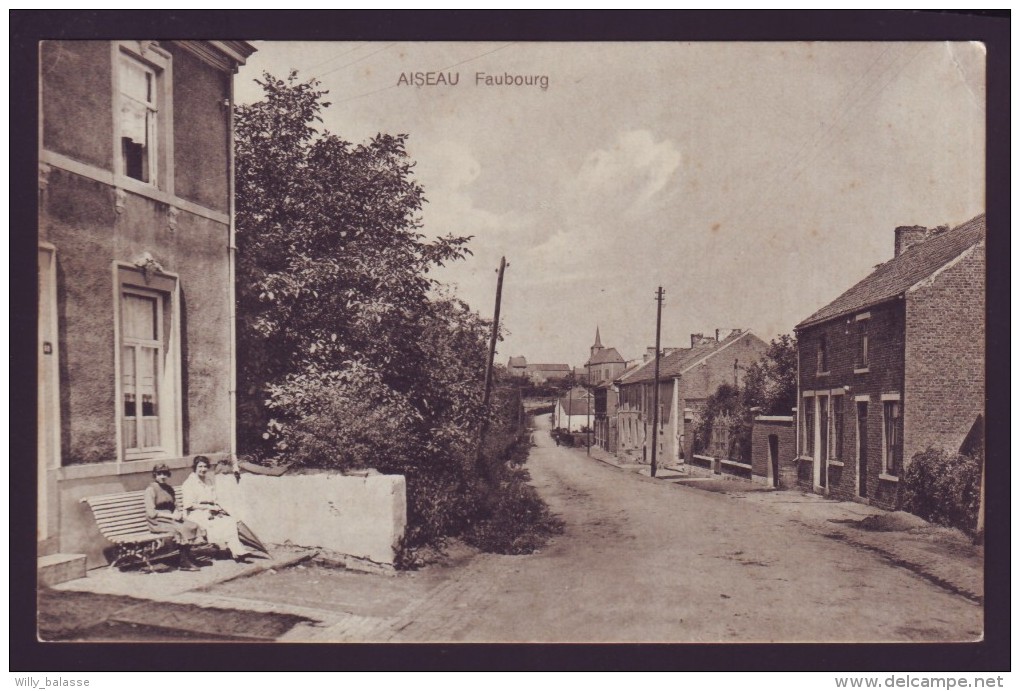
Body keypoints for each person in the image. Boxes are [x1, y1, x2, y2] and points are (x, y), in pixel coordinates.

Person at [181, 456, 251, 563]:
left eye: (205, 466)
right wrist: (209, 507)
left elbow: (214, 499)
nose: (203, 469)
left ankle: (237, 550)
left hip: (210, 510)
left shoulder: (208, 481)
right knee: (216, 524)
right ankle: (233, 550)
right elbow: (189, 505)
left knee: (230, 520)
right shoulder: (189, 483)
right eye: (200, 466)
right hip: (194, 514)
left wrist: (218, 508)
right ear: (194, 467)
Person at [143, 463, 205, 571]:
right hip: (157, 521)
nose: (162, 476)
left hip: (171, 518)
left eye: (165, 474)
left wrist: (177, 513)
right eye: (159, 474)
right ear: (155, 475)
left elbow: (174, 505)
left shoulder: (169, 489)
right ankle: (184, 562)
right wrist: (171, 515)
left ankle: (187, 556)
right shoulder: (151, 489)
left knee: (192, 525)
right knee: (181, 528)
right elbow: (151, 513)